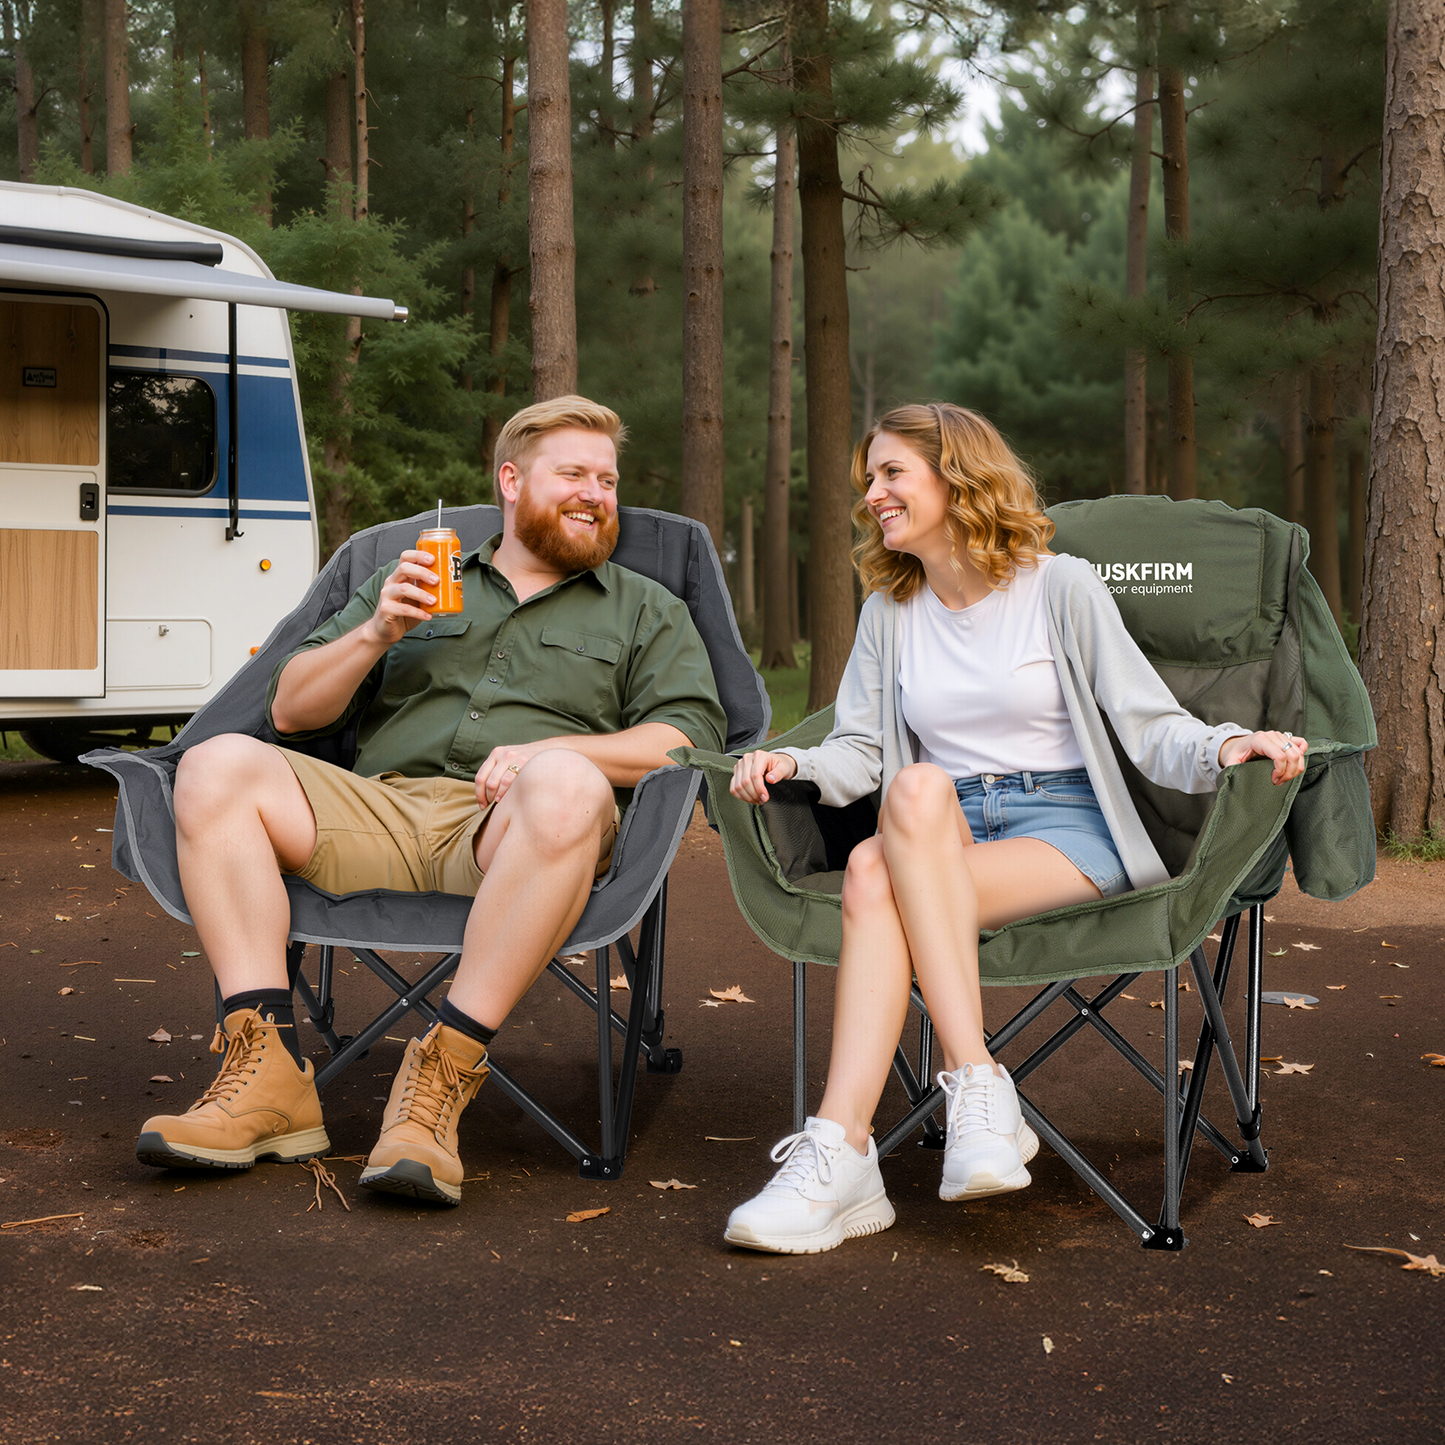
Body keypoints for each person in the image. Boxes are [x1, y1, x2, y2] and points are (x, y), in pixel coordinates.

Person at [722, 402, 1308, 1255]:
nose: (872, 495)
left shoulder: (1059, 586)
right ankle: (963, 1097)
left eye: (891, 473)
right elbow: (856, 748)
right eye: (869, 480)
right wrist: (793, 764)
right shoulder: (890, 609)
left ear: (956, 475)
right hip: (941, 826)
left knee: (870, 873)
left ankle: (853, 1145)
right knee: (915, 793)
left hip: (1064, 828)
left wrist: (1230, 742)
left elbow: (1150, 726)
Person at [136, 396, 727, 1206]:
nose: (597, 492)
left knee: (564, 784)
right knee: (214, 764)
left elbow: (683, 740)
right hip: (372, 808)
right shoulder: (411, 575)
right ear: (511, 481)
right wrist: (376, 630)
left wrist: (551, 752)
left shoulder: (643, 607)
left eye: (608, 480)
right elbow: (289, 712)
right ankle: (265, 1072)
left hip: (513, 834)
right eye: (575, 474)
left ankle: (440, 1078)